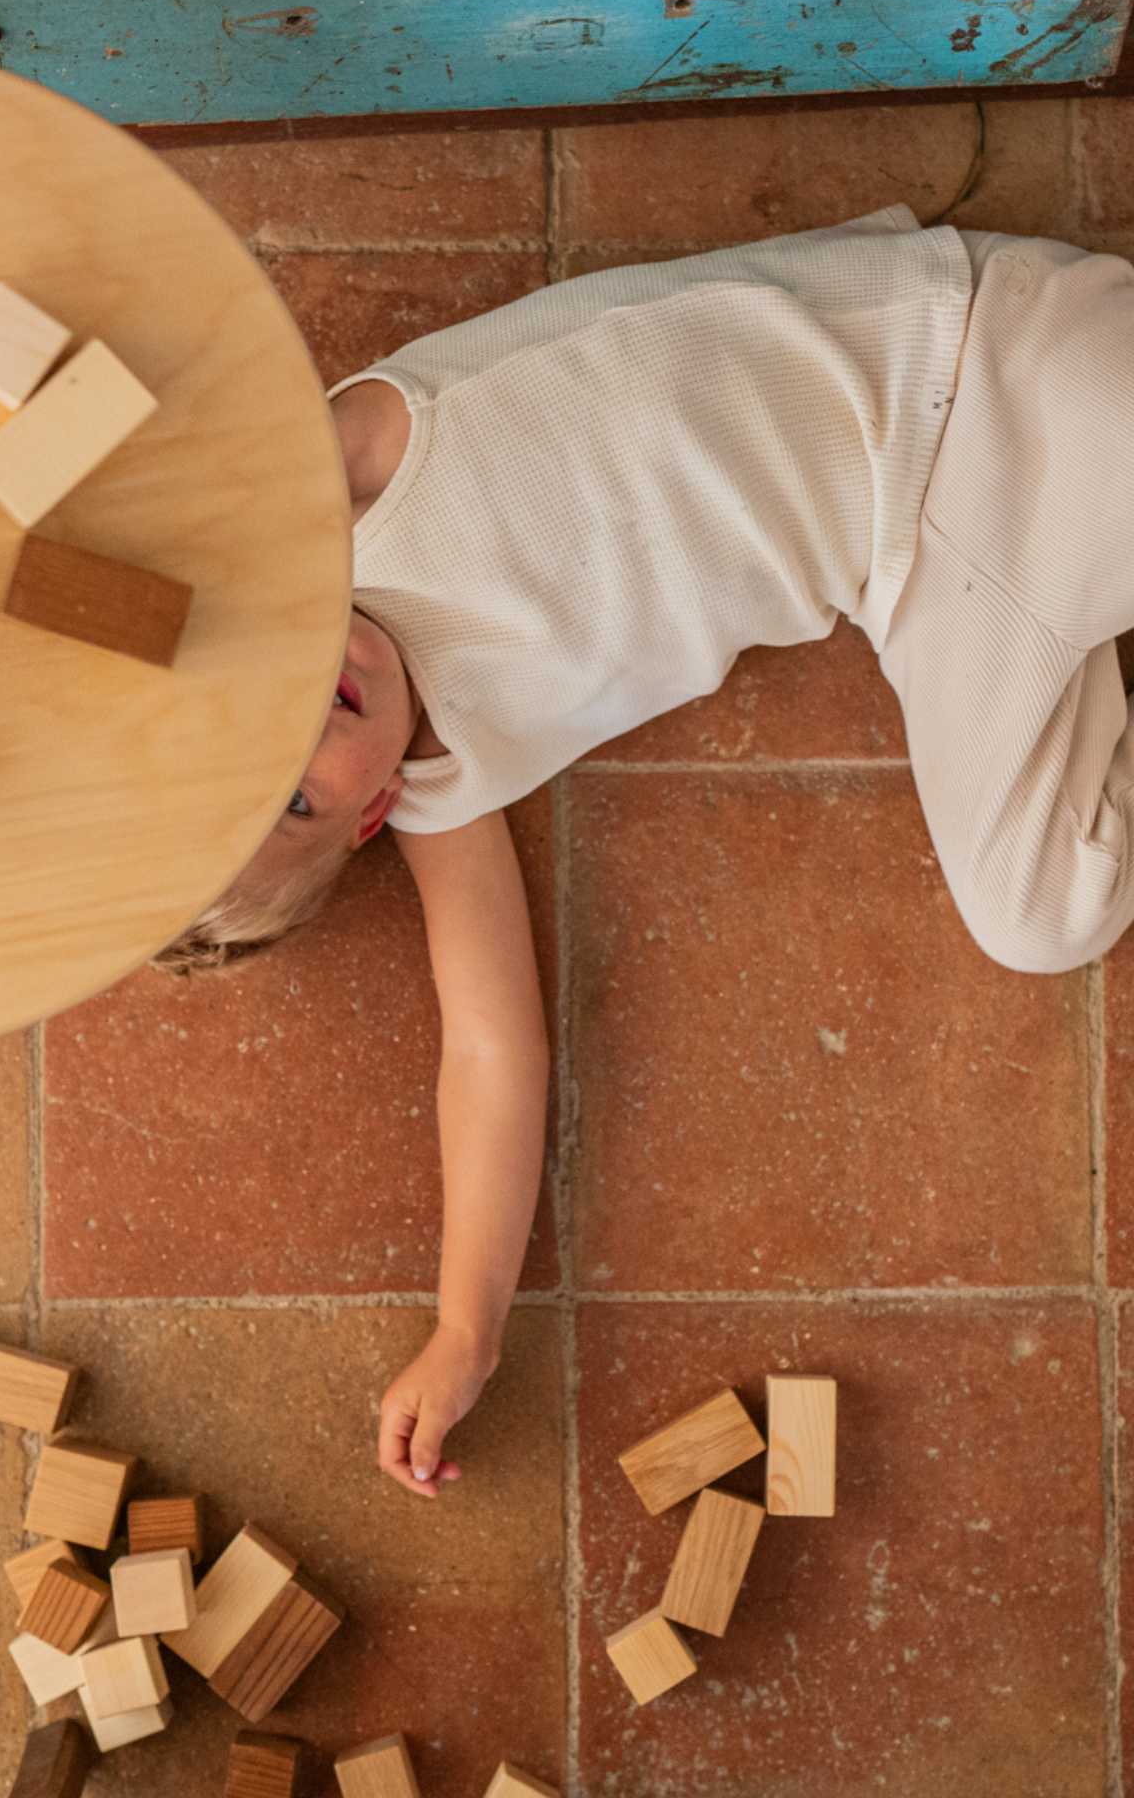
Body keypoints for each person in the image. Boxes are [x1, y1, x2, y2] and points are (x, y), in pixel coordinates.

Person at [155, 205, 1134, 1499]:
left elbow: (175, 499)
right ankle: (1082, 598)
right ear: (371, 813)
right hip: (912, 578)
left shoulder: (330, 499)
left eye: (235, 726)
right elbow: (490, 1051)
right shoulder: (440, 791)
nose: (288, 729)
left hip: (963, 371)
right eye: (291, 801)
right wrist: (466, 1328)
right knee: (1040, 916)